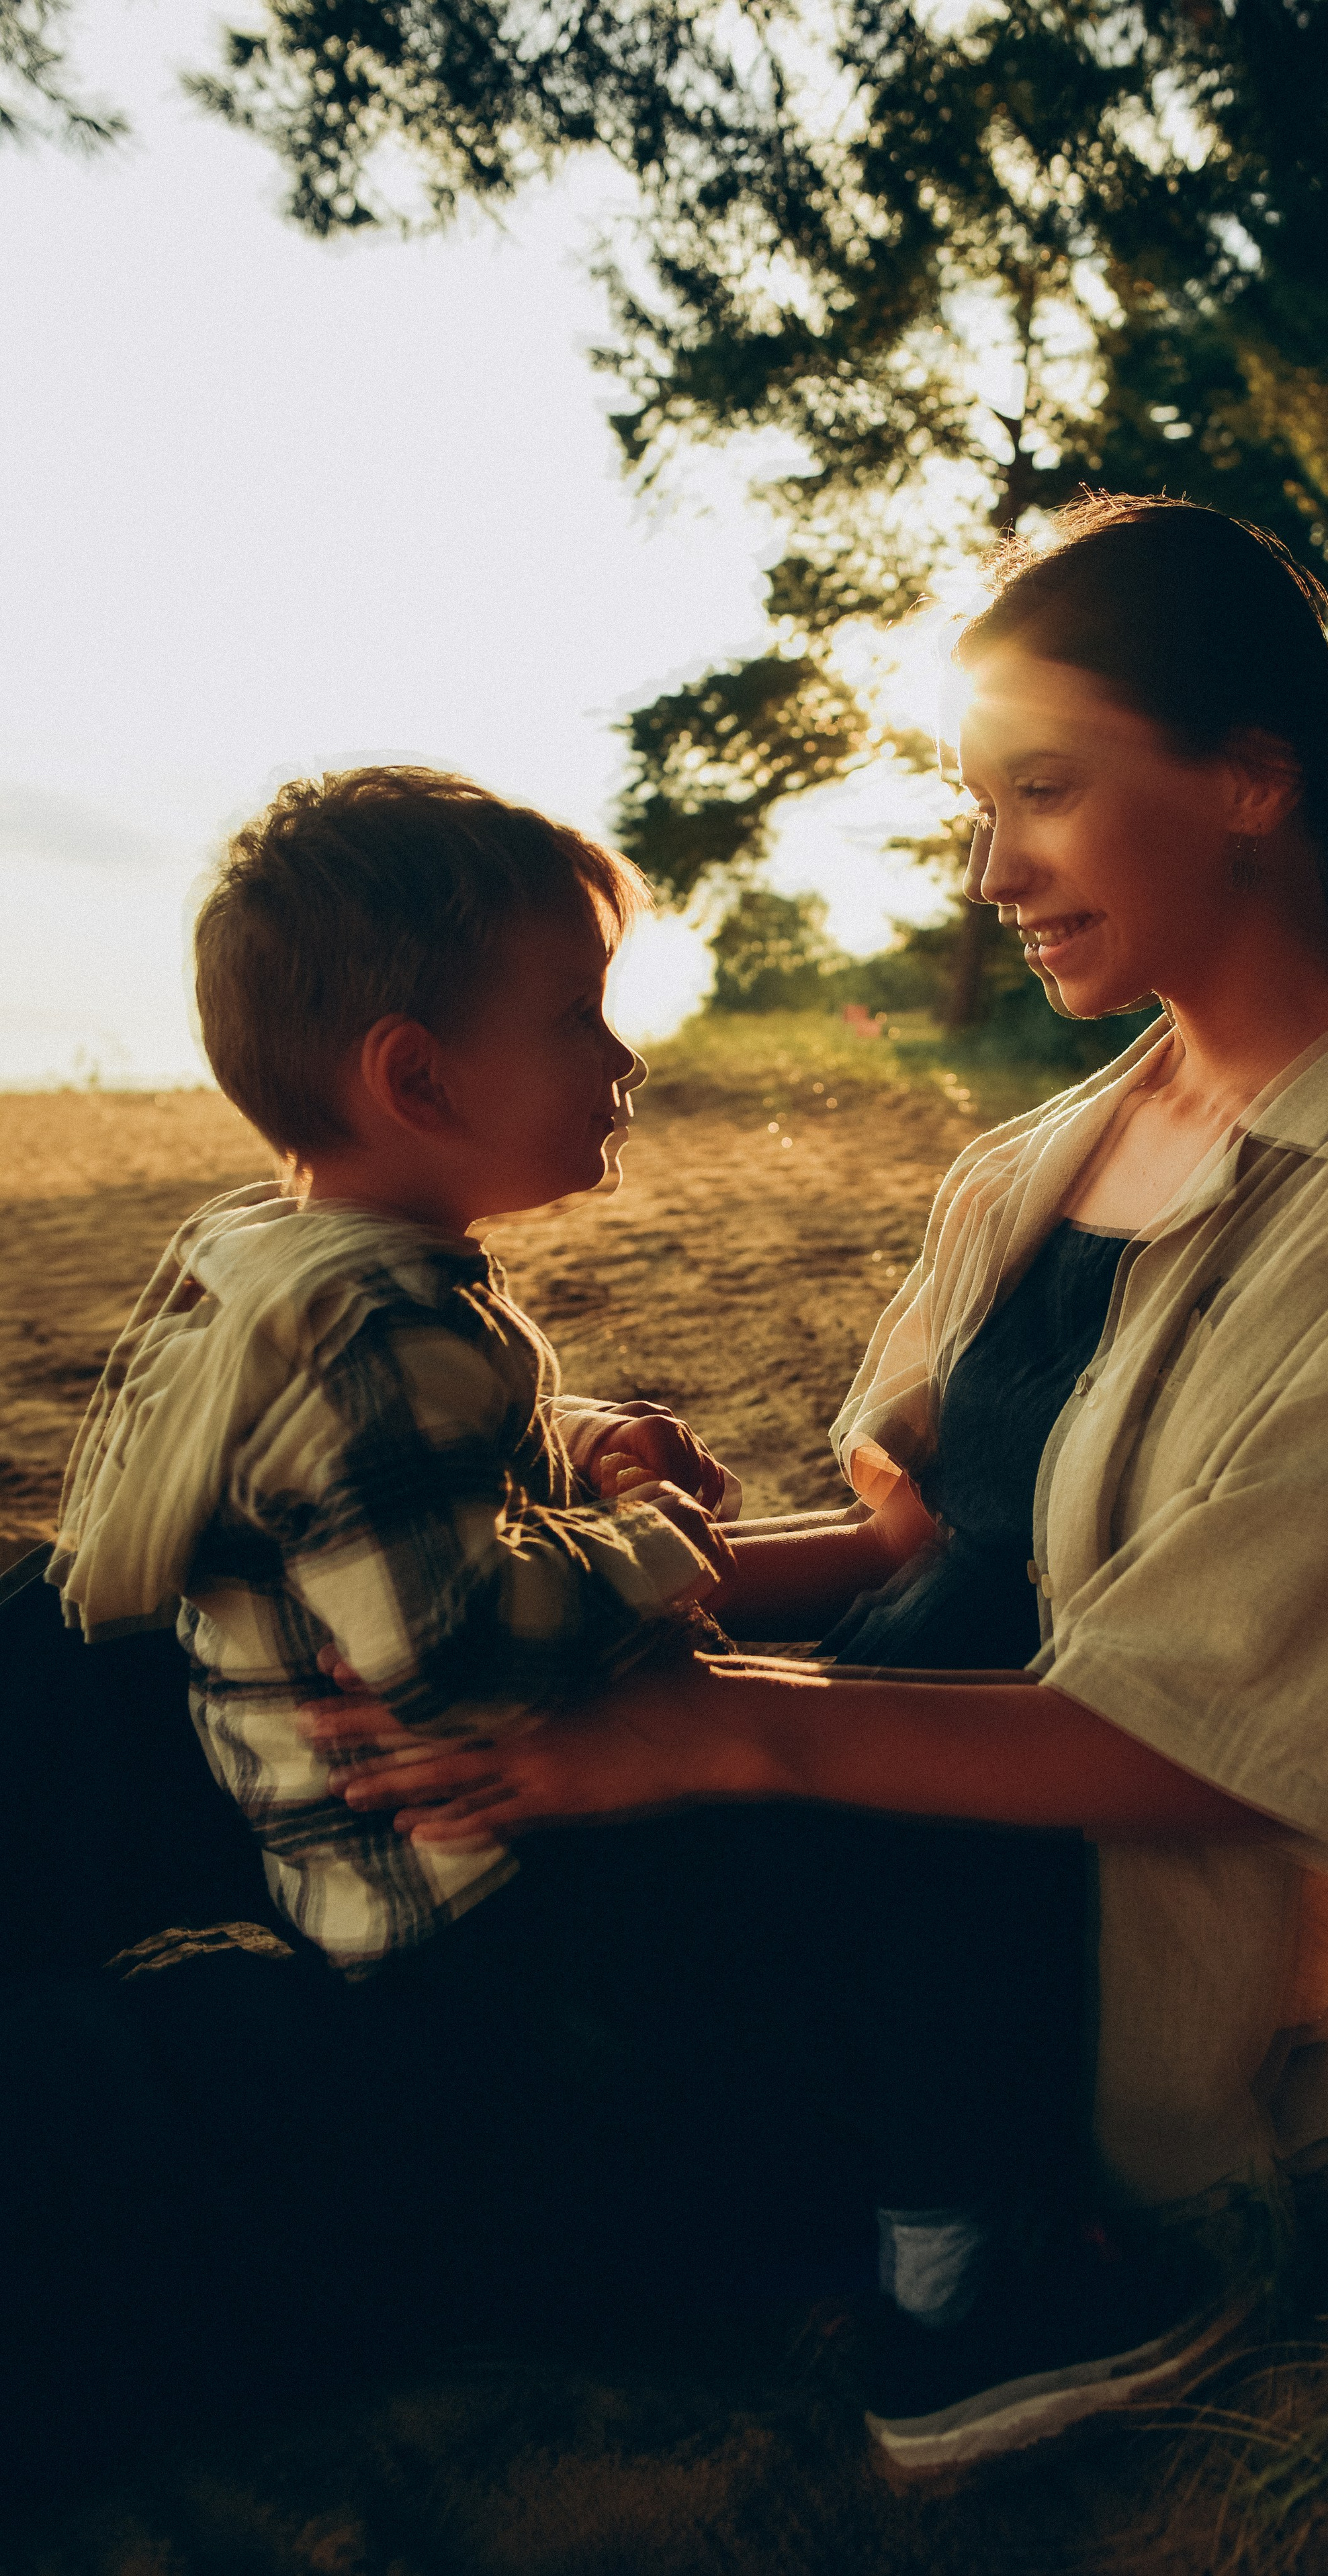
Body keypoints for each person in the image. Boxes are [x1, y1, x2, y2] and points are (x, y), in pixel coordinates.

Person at [310, 496, 1328, 2476]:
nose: (994, 868)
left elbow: (1216, 1741)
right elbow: (913, 1544)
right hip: (795, 1824)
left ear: (1253, 781)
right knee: (127, 1685)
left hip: (996, 2004)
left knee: (209, 2098)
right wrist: (526, 1607)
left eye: (1046, 794)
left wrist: (713, 1732)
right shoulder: (1042, 1157)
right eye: (980, 805)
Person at [42, 764, 1082, 2370]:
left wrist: (567, 1431)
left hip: (343, 1859)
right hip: (478, 1909)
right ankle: (955, 2285)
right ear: (418, 1076)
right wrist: (651, 1542)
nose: (623, 1057)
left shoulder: (268, 1255)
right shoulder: (387, 1328)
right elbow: (449, 1649)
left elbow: (351, 1466)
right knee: (915, 1861)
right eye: (578, 1017)